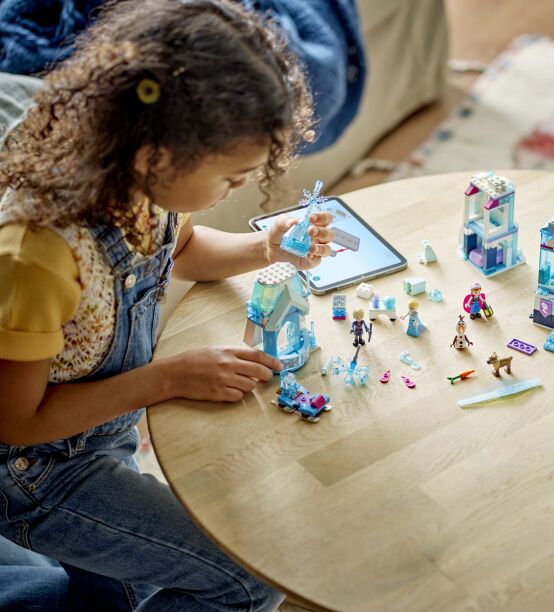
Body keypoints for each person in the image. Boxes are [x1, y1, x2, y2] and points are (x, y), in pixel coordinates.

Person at [0, 1, 334, 609]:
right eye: (232, 177)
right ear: (155, 154)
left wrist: (265, 246)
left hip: (97, 437)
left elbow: (182, 249)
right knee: (248, 579)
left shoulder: (139, 185)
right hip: (32, 471)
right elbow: (15, 423)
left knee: (123, 597)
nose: (240, 188)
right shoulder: (39, 254)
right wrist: (167, 378)